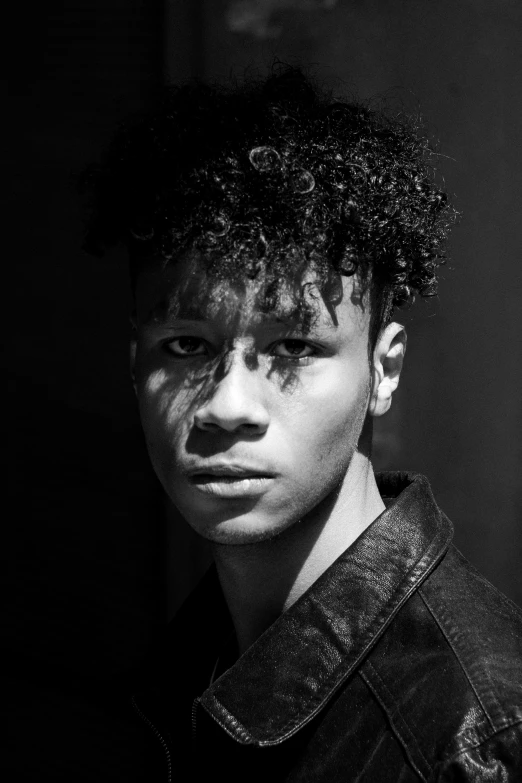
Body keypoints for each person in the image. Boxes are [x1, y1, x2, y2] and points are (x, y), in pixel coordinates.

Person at [83, 66, 522, 781]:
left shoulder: (472, 740)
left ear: (384, 371)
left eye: (295, 347)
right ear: (136, 362)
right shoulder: (190, 658)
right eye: (188, 345)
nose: (228, 405)